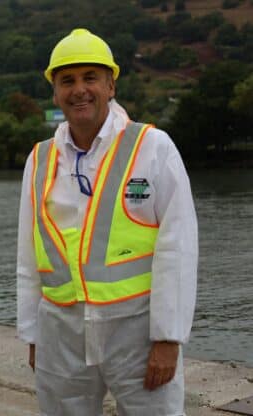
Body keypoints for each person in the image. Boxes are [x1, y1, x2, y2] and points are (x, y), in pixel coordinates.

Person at [16, 28, 198, 415]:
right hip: (61, 334)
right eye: (67, 81)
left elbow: (177, 247)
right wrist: (33, 335)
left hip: (136, 331)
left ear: (111, 85)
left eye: (90, 78)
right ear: (55, 92)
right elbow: (29, 256)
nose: (79, 90)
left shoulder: (153, 148)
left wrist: (168, 339)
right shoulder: (41, 159)